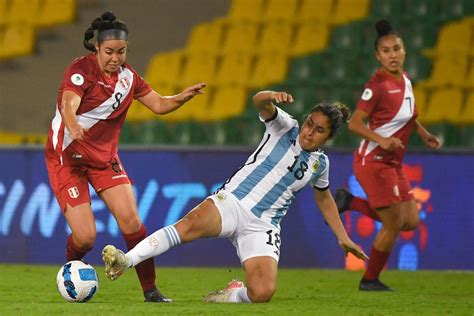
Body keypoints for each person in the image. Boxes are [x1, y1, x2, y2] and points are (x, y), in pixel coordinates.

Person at [101, 90, 369, 303]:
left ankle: (232, 294)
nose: (309, 131)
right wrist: (270, 96)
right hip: (233, 203)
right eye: (310, 123)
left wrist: (343, 237)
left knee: (262, 293)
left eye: (319, 130)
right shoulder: (285, 127)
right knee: (189, 225)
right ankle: (126, 260)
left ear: (329, 137)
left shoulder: (320, 165)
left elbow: (324, 199)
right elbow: (259, 101)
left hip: (264, 225)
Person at [44, 11, 206, 302]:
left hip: (104, 160)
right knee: (85, 238)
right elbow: (70, 104)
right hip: (67, 159)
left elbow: (158, 104)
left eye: (121, 52)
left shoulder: (129, 79)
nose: (115, 58)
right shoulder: (80, 71)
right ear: (97, 48)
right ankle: (68, 270)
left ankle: (150, 290)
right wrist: (72, 124)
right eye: (109, 52)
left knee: (132, 223)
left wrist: (181, 97)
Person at [334, 19, 442, 291]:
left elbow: (405, 116)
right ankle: (369, 280)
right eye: (386, 50)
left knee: (411, 221)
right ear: (378, 56)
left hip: (393, 163)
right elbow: (355, 123)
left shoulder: (404, 80)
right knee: (393, 223)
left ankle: (350, 202)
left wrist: (423, 132)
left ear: (404, 51)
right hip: (372, 161)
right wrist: (381, 139)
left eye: (396, 48)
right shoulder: (377, 85)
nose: (392, 54)